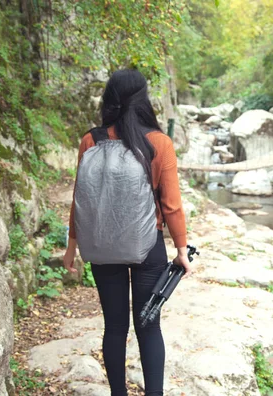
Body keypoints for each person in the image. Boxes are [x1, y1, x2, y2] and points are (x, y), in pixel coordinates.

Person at [63, 69, 192, 396]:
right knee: (149, 328)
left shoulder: (91, 140)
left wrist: (71, 248)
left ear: (110, 100)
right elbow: (172, 205)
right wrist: (181, 249)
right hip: (148, 246)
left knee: (115, 328)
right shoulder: (159, 143)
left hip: (103, 246)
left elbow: (81, 199)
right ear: (143, 100)